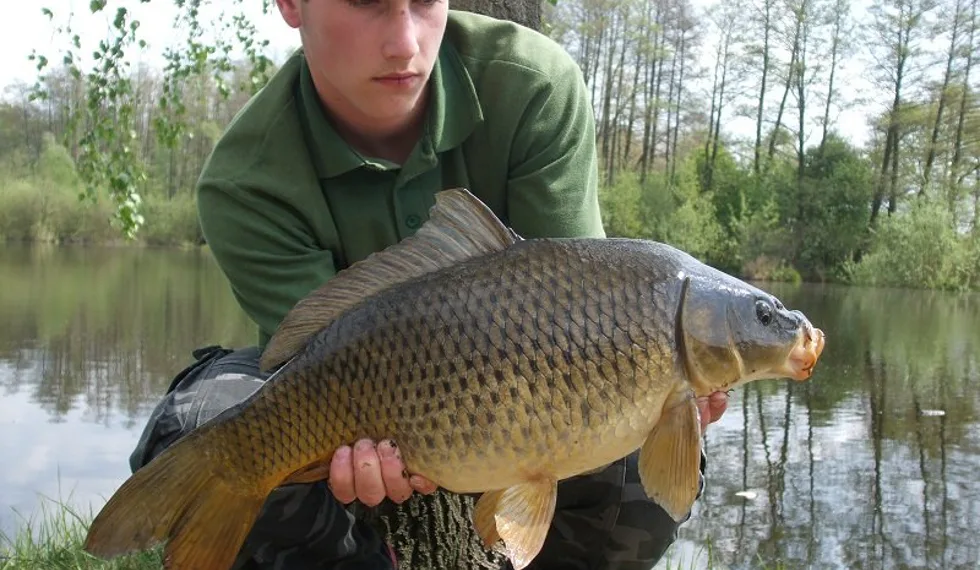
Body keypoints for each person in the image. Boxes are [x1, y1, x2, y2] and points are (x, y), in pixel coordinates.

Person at [128, 1, 730, 568]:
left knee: (640, 456)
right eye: (366, 3)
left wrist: (659, 384)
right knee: (204, 426)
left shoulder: (535, 87)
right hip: (361, 405)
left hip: (524, 397)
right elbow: (310, 362)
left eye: (422, 1)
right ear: (290, 4)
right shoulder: (244, 182)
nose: (405, 42)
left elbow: (588, 310)